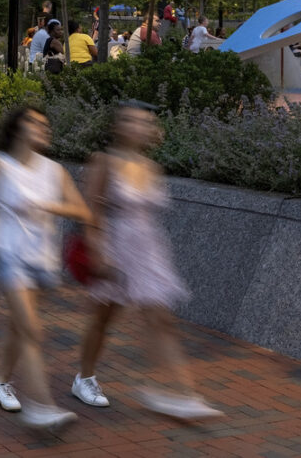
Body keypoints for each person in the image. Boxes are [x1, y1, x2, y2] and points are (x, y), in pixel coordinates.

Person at [73, 102, 221, 421]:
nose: (136, 126)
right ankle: (84, 377)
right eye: (129, 120)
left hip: (148, 249)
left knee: (161, 319)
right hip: (115, 246)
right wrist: (98, 252)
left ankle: (184, 393)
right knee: (104, 319)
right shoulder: (104, 162)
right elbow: (91, 213)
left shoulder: (151, 167)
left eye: (143, 122)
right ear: (117, 126)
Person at [0, 103, 90, 434]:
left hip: (42, 259)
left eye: (45, 124)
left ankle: (1, 382)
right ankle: (40, 408)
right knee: (33, 330)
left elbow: (82, 212)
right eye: (35, 122)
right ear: (18, 128)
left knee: (20, 328)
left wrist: (48, 205)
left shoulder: (55, 171)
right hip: (8, 255)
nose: (43, 128)